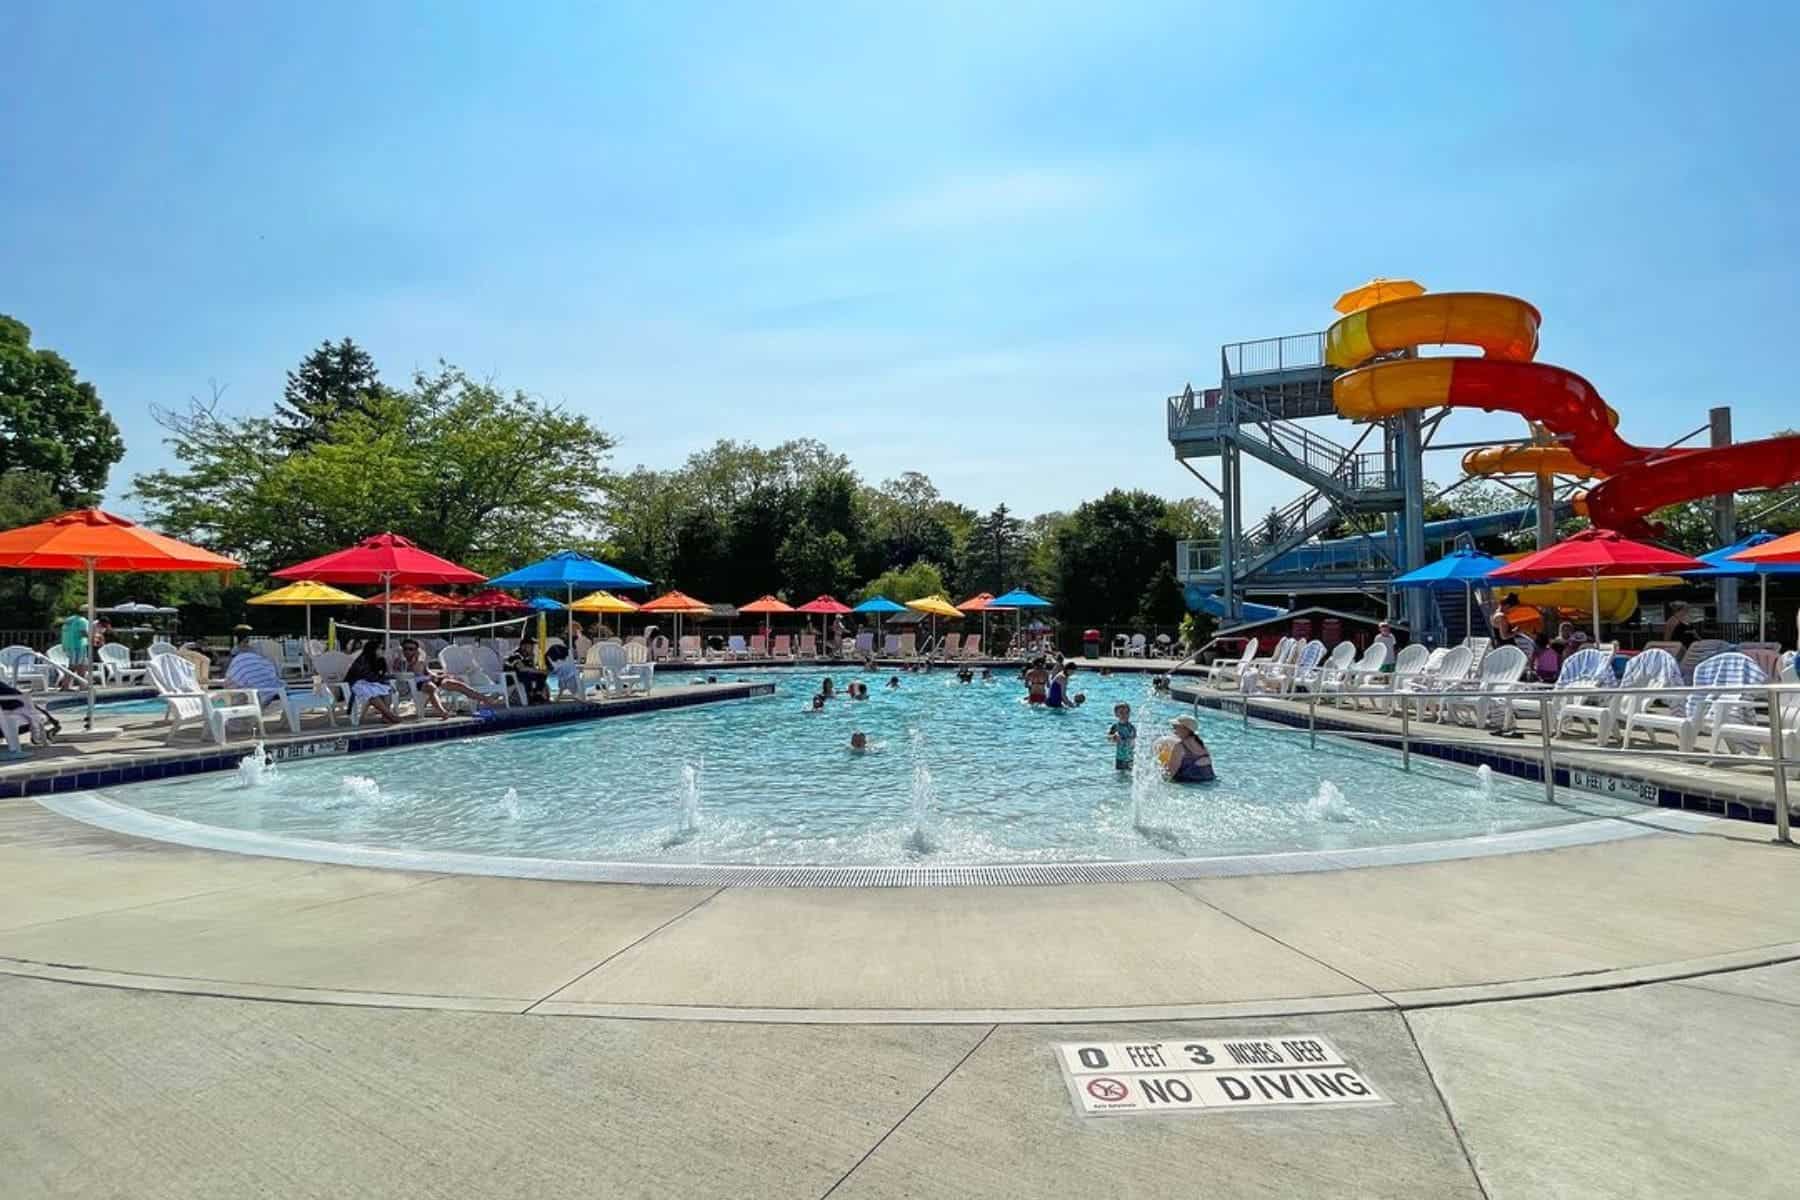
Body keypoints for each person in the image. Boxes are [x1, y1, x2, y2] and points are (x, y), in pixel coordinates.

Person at [392, 639, 487, 718]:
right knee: (431, 687)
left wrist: (438, 675)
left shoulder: (420, 659)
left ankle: (486, 699)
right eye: (405, 649)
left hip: (429, 679)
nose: (408, 651)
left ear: (416, 650)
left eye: (411, 649)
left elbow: (426, 671)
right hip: (415, 684)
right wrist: (416, 660)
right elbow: (403, 673)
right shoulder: (400, 661)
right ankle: (443, 712)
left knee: (456, 684)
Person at [225, 632, 287, 714]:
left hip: (259, 692)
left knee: (237, 685)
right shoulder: (255, 652)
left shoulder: (240, 655)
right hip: (275, 691)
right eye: (246, 640)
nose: (247, 642)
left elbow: (232, 679)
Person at [345, 639, 402, 725]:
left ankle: (385, 717)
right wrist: (382, 679)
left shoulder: (380, 660)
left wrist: (387, 677)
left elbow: (380, 675)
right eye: (380, 649)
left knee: (388, 690)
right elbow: (368, 676)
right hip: (357, 683)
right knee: (372, 692)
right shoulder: (362, 660)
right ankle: (390, 715)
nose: (382, 651)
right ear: (373, 650)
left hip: (370, 682)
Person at [1163, 715, 1215, 783]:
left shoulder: (1180, 747)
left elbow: (1168, 775)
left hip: (1189, 784)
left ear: (1185, 729)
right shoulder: (1203, 746)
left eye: (1175, 727)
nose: (1173, 730)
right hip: (1210, 782)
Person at [506, 633, 550, 704]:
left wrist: (532, 661)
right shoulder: (515, 655)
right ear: (524, 646)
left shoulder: (526, 657)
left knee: (541, 675)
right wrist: (540, 671)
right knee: (527, 674)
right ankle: (530, 695)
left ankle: (537, 694)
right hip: (511, 679)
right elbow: (521, 668)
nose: (533, 648)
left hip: (520, 677)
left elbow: (532, 669)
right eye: (531, 646)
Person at [58, 612, 90, 686]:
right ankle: (65, 685)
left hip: (68, 646)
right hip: (77, 647)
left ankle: (83, 685)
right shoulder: (82, 620)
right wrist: (94, 637)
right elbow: (83, 633)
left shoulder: (69, 619)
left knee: (82, 666)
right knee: (73, 666)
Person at [1108, 703, 1137, 772]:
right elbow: (1109, 738)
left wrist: (1131, 741)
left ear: (1129, 714)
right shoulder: (1115, 727)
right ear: (1116, 714)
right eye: (1121, 712)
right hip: (1119, 758)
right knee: (1120, 776)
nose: (1124, 715)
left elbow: (1134, 741)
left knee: (1129, 774)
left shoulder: (1131, 727)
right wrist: (1114, 737)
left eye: (1126, 712)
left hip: (1130, 758)